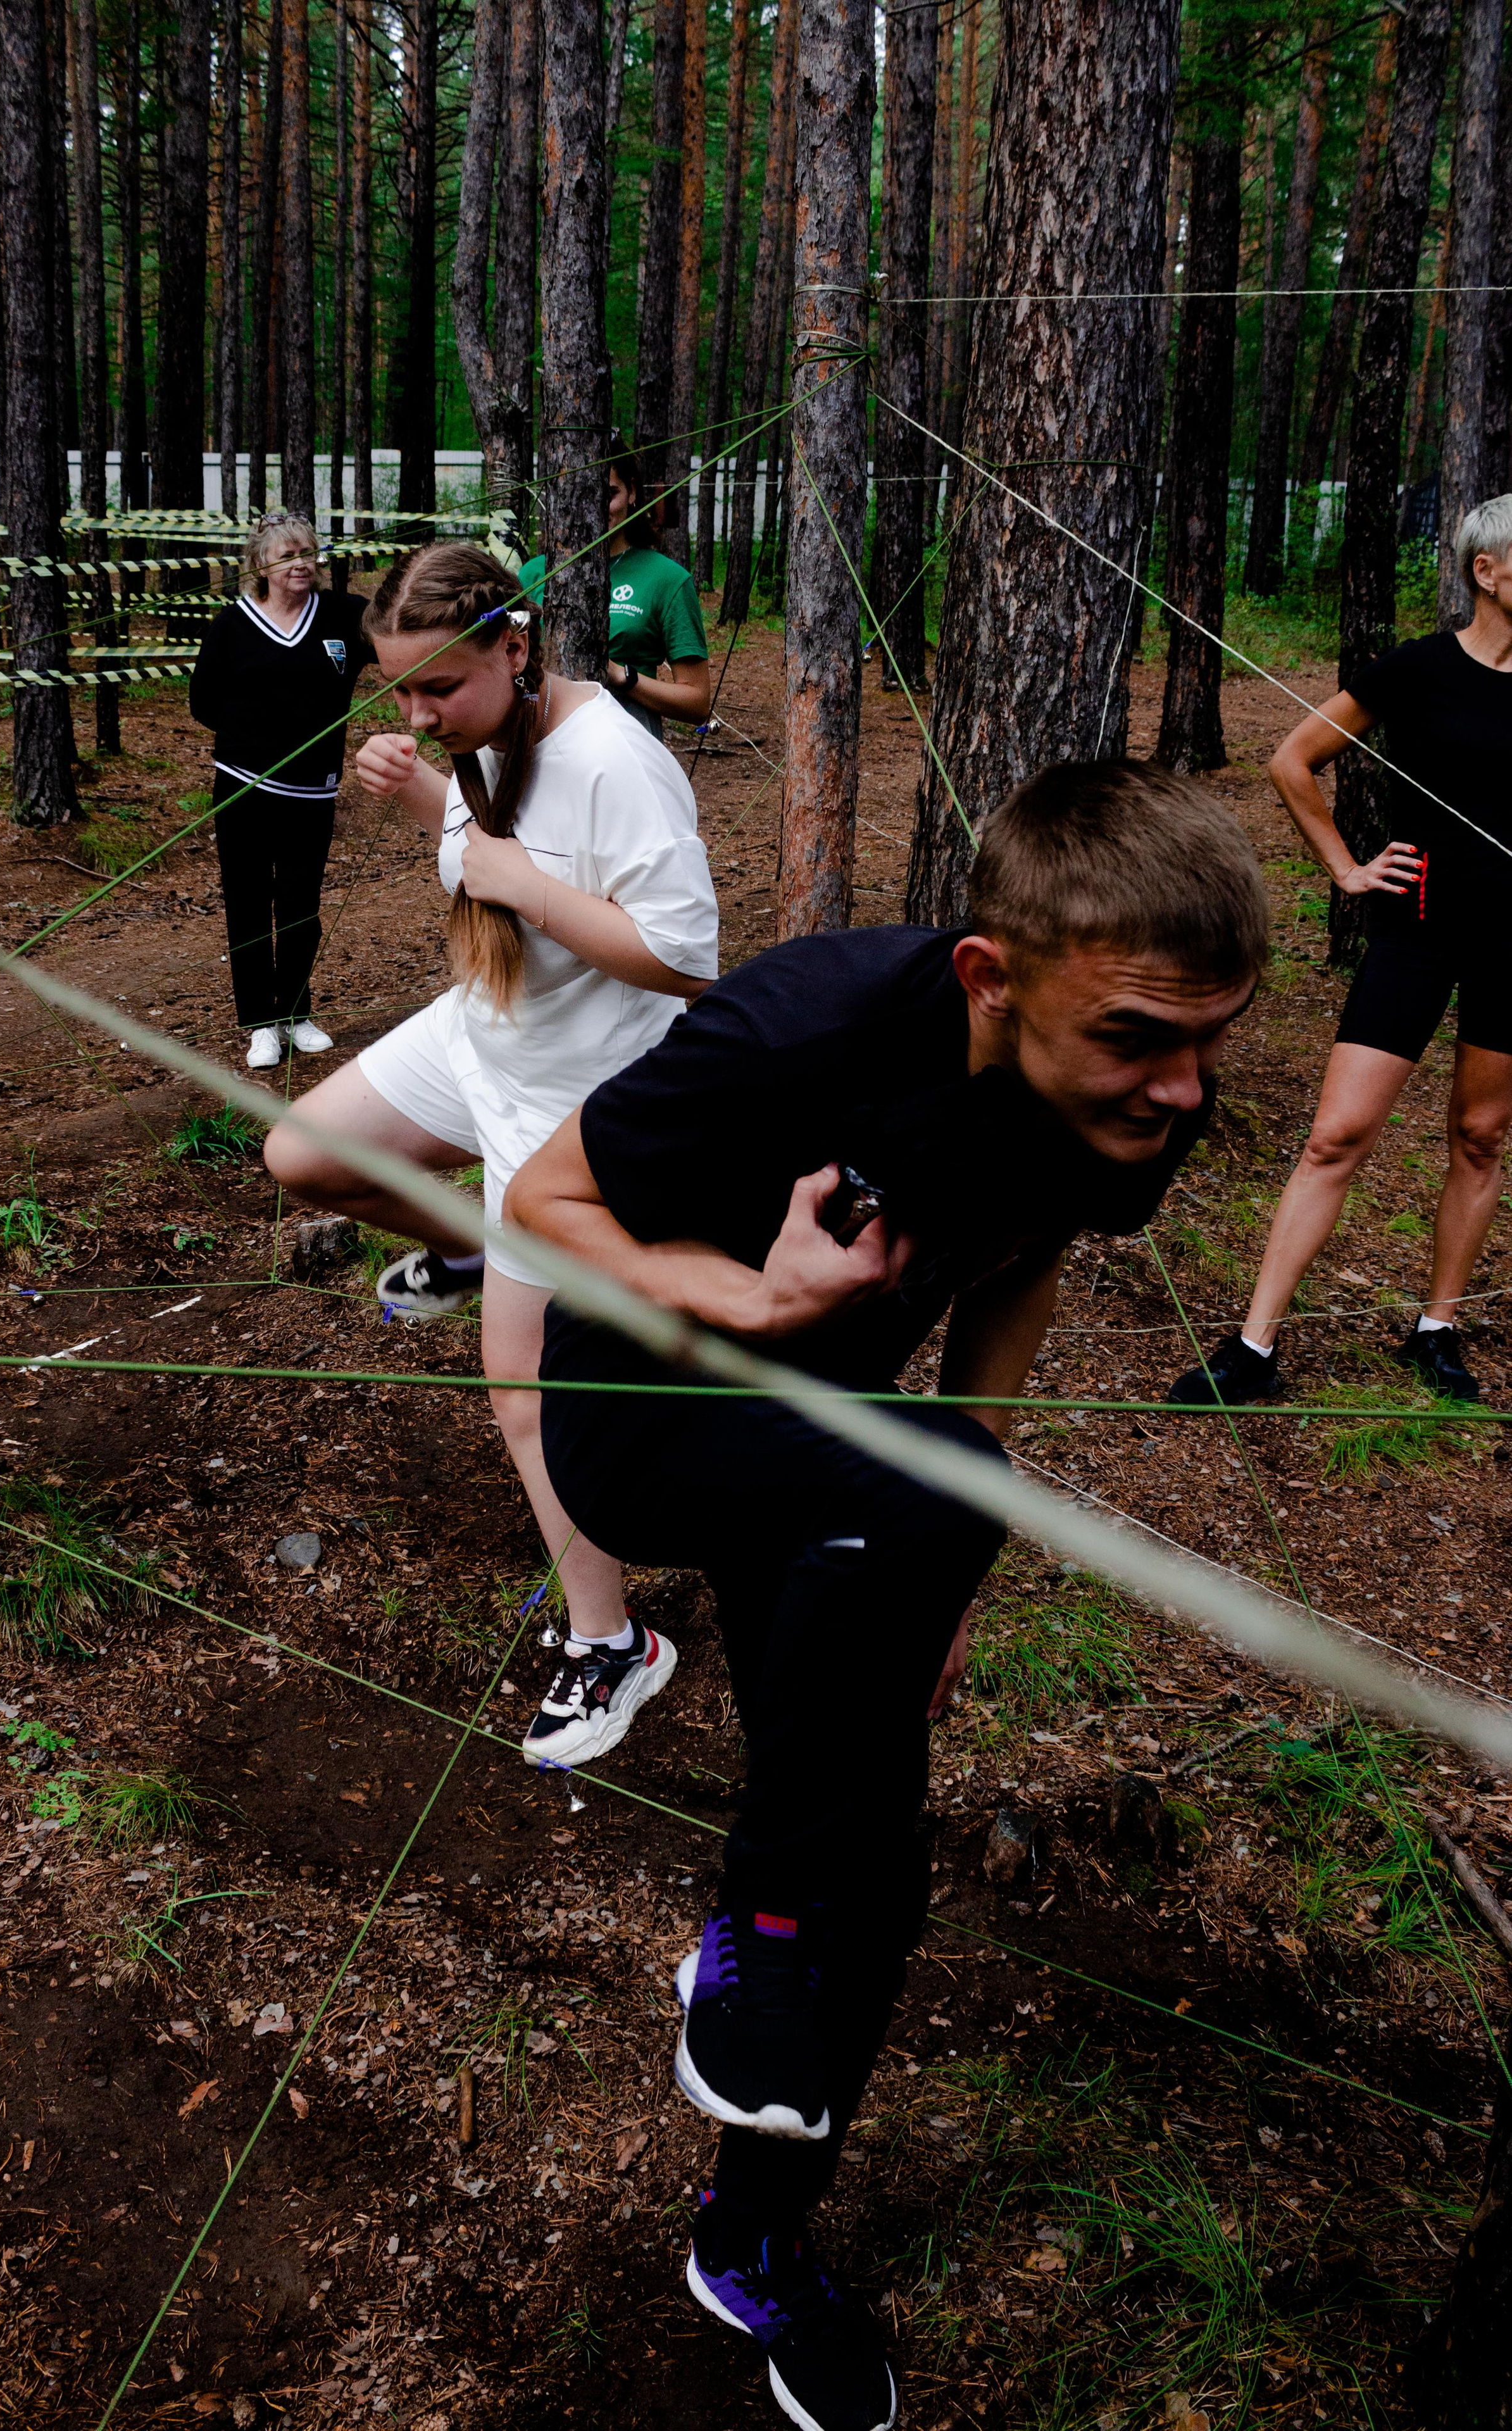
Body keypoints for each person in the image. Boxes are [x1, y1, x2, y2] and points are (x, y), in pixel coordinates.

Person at [506, 762, 1268, 2431]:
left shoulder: (1137, 1101)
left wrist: (945, 1560)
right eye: (1140, 1037)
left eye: (1212, 1040)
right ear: (992, 978)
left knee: (879, 1875)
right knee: (813, 1867)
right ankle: (753, 1938)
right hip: (647, 1418)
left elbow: (1024, 1261)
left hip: (850, 1470)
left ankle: (751, 2242)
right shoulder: (803, 1030)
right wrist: (753, 1303)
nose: (1184, 1089)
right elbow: (539, 1205)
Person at [262, 543, 719, 1768]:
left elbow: (685, 958)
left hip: (573, 1105)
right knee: (305, 1154)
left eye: (439, 688)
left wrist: (515, 880)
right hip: (483, 1031)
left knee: (523, 1393)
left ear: (517, 649)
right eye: (400, 691)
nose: (418, 713)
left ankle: (612, 1643)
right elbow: (486, 845)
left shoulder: (615, 759)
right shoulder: (484, 736)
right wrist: (429, 797)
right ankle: (466, 1254)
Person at [1169, 491, 1512, 1410]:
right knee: (1336, 1136)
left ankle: (1435, 1332)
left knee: (1480, 1137)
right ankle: (1254, 1347)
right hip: (1417, 927)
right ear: (1486, 571)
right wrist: (1346, 869)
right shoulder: (1418, 668)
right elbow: (1293, 759)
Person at [189, 510, 376, 1070]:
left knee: (300, 907)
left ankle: (295, 1014)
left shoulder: (345, 615)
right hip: (243, 790)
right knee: (248, 905)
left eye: (308, 553)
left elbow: (400, 640)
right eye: (288, 555)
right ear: (260, 565)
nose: (302, 563)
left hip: (312, 794)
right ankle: (260, 1025)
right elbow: (203, 703)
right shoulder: (232, 624)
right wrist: (257, 740)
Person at [518, 442, 711, 739]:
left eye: (608, 494)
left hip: (626, 740)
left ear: (632, 492)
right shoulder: (533, 574)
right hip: (540, 737)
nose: (595, 507)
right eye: (583, 495)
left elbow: (697, 702)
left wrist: (622, 675)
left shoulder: (667, 579)